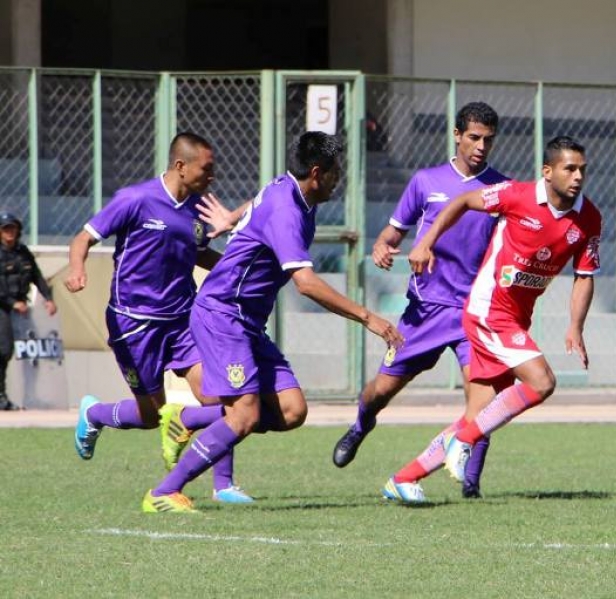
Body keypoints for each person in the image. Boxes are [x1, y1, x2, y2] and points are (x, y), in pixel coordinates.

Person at [142, 131, 403, 513]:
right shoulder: (287, 210)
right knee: (244, 413)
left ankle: (189, 419)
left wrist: (234, 217)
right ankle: (164, 491)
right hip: (223, 314)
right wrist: (369, 318)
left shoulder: (288, 188)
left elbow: (260, 200)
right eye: (335, 172)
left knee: (292, 411)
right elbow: (306, 283)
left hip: (246, 322)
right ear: (316, 173)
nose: (338, 178)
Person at [381, 136, 602, 503]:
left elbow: (584, 276)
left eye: (582, 169)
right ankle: (464, 444)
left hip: (516, 318)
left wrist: (575, 326)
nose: (578, 176)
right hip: (488, 310)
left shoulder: (589, 218)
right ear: (547, 172)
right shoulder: (516, 195)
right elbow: (465, 199)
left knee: (478, 414)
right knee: (542, 381)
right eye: (569, 168)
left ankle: (404, 479)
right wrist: (427, 242)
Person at [331, 102, 508, 498]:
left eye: (488, 140)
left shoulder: (501, 189)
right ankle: (360, 426)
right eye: (475, 138)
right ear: (458, 135)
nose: (481, 146)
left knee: (483, 405)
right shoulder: (427, 182)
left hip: (472, 313)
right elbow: (391, 234)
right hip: (425, 311)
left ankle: (472, 486)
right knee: (379, 392)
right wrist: (380, 247)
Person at [67, 132, 254, 504]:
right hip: (134, 323)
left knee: (223, 398)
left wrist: (237, 272)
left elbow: (198, 253)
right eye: (207, 168)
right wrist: (77, 269)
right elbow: (83, 239)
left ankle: (224, 485)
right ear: (181, 166)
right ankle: (96, 414)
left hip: (184, 319)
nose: (213, 176)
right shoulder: (135, 199)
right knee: (151, 415)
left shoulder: (198, 207)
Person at [0, 212, 57, 411]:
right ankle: (1, 397)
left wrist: (49, 299)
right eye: (5, 229)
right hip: (3, 310)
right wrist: (11, 303)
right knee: (3, 351)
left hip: (23, 311)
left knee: (32, 352)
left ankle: (31, 396)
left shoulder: (23, 252)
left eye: (12, 228)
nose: (10, 233)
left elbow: (37, 277)